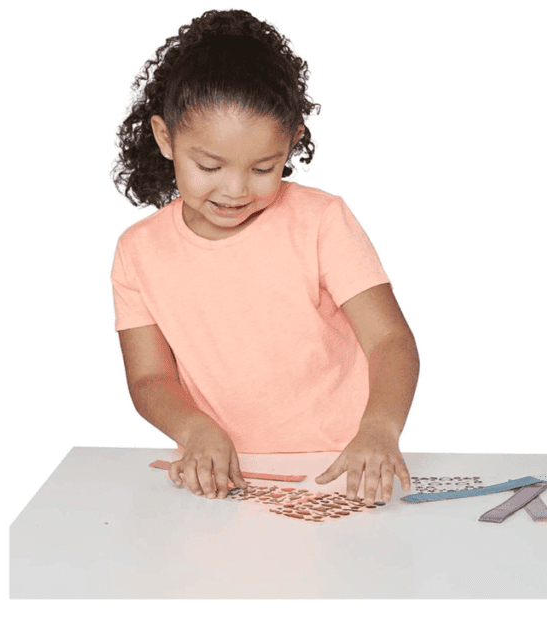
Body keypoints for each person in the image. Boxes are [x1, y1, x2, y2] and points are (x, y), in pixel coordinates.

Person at [110, 9, 419, 506]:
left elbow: (389, 339)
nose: (234, 190)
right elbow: (150, 377)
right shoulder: (138, 251)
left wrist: (381, 429)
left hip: (342, 468)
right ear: (166, 139)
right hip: (218, 480)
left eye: (263, 168)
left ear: (292, 143)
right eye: (209, 165)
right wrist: (194, 429)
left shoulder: (322, 221)